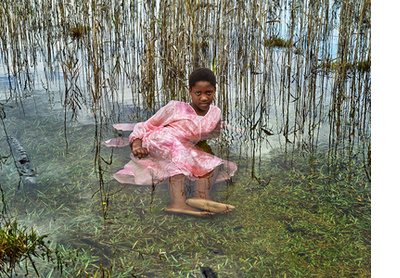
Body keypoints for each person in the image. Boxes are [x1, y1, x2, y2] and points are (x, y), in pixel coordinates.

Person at [110, 68, 237, 216]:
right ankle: (177, 203)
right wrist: (137, 144)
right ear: (190, 91)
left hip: (183, 146)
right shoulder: (176, 107)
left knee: (214, 163)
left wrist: (220, 130)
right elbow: (146, 125)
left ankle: (201, 197)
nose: (203, 98)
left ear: (214, 91)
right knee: (179, 154)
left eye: (208, 93)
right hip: (161, 139)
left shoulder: (215, 112)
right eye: (198, 93)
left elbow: (210, 131)